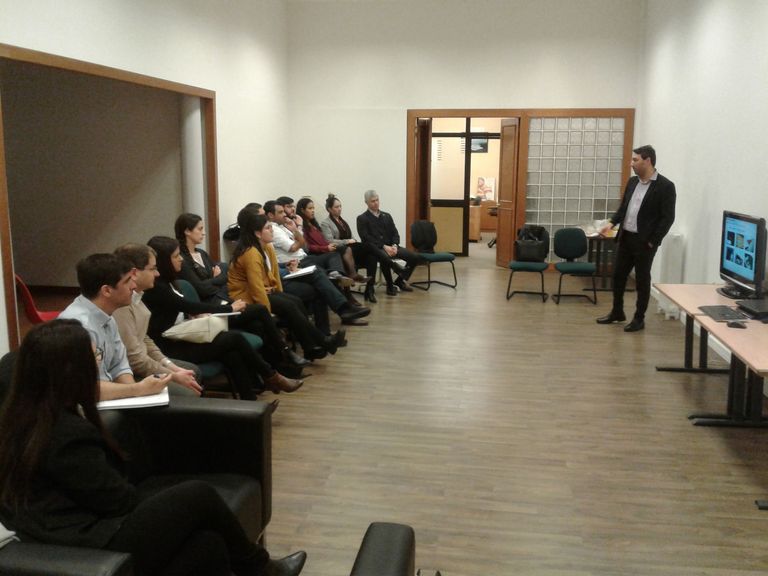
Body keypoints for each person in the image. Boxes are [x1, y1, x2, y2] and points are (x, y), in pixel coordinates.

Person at [0, 319, 306, 576]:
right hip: (90, 541)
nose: (97, 364)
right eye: (94, 358)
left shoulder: (25, 418)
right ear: (71, 370)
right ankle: (263, 570)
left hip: (65, 529)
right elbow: (116, 501)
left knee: (207, 544)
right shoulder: (66, 434)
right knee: (197, 495)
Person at [143, 236, 303, 397]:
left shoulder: (169, 281)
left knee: (232, 353)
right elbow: (188, 306)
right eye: (176, 256)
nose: (181, 259)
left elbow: (179, 309)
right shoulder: (156, 287)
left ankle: (250, 399)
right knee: (234, 339)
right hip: (168, 346)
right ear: (164, 261)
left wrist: (193, 315)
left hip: (180, 335)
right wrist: (229, 308)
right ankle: (271, 376)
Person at [228, 208, 349, 360]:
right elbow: (256, 288)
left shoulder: (266, 247)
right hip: (246, 297)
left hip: (265, 291)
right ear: (257, 233)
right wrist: (267, 313)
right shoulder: (251, 253)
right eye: (268, 228)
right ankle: (323, 341)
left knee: (295, 301)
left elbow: (273, 276)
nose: (272, 230)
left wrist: (279, 293)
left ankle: (310, 347)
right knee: (289, 305)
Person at [59, 253, 172, 401]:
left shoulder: (107, 315)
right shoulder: (78, 327)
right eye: (127, 281)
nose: (134, 286)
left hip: (109, 396)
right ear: (107, 290)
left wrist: (136, 400)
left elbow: (120, 366)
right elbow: (86, 388)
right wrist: (137, 390)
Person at [596, 145, 676, 332]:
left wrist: (652, 241)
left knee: (641, 280)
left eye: (635, 160)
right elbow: (624, 208)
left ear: (647, 161)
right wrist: (611, 223)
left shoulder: (665, 186)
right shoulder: (632, 182)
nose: (631, 163)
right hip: (626, 237)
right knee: (618, 276)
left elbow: (667, 218)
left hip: (645, 243)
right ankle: (617, 312)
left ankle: (639, 318)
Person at [112, 243, 203, 397]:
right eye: (152, 269)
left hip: (143, 361)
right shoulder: (122, 305)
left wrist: (170, 366)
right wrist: (173, 375)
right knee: (187, 391)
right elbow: (135, 360)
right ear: (135, 272)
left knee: (193, 372)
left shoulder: (137, 297)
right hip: (132, 371)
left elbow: (144, 339)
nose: (157, 273)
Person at [265, 200, 371, 324]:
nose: (285, 214)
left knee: (334, 258)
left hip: (302, 258)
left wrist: (296, 230)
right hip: (296, 263)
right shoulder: (274, 230)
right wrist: (298, 231)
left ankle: (339, 286)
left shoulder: (284, 226)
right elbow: (296, 246)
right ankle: (345, 309)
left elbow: (303, 246)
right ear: (270, 215)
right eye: (281, 212)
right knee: (321, 274)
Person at [296, 197, 369, 305]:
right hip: (317, 254)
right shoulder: (302, 227)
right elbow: (307, 247)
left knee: (352, 250)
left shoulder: (314, 224)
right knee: (344, 251)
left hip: (325, 249)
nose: (313, 211)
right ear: (302, 210)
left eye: (313, 208)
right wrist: (326, 248)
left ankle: (349, 290)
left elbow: (323, 241)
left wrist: (328, 246)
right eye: (310, 208)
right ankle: (351, 281)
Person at [321, 193, 387, 303]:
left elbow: (351, 237)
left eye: (340, 206)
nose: (339, 209)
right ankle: (389, 262)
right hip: (340, 252)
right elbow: (329, 241)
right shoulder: (325, 223)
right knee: (369, 245)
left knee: (372, 257)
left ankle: (369, 289)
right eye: (336, 207)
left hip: (351, 250)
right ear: (329, 209)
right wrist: (347, 241)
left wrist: (352, 240)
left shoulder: (343, 221)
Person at [356, 189, 422, 296]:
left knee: (414, 257)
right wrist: (383, 246)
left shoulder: (386, 216)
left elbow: (395, 233)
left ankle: (400, 280)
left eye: (377, 200)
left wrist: (395, 245)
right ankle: (390, 285)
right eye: (372, 201)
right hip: (376, 249)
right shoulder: (362, 218)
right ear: (366, 202)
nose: (376, 203)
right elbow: (366, 238)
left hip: (392, 247)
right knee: (384, 257)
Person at [175, 213, 229, 304]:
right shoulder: (180, 258)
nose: (204, 233)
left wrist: (210, 281)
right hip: (204, 303)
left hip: (217, 296)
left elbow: (223, 277)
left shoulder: (202, 253)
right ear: (187, 231)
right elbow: (200, 289)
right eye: (200, 229)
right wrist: (215, 279)